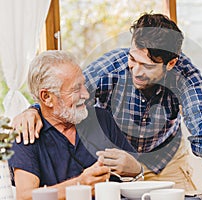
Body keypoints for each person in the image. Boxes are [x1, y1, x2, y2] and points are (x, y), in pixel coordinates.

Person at [12, 13, 202, 199]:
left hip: (163, 158)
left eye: (146, 66)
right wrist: (33, 110)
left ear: (170, 64)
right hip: (118, 160)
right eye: (132, 59)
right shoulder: (110, 68)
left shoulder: (186, 77)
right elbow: (63, 94)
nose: (135, 71)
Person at [9, 50, 142, 200]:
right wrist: (80, 184)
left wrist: (137, 169)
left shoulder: (101, 118)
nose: (86, 94)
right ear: (46, 97)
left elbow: (138, 175)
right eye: (76, 89)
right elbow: (25, 197)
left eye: (83, 85)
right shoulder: (26, 133)